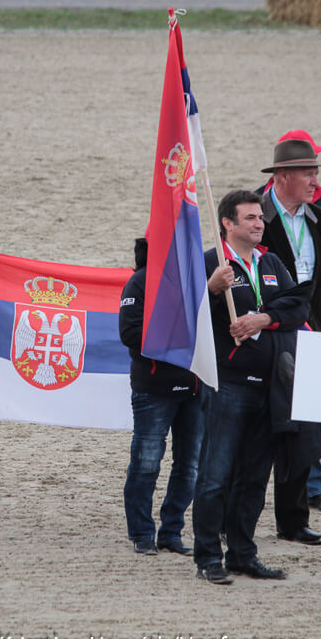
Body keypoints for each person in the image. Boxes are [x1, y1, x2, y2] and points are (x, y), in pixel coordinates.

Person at [193, 190, 310, 585]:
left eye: (260, 217)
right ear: (227, 223)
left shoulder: (270, 261)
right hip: (228, 385)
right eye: (251, 218)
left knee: (255, 478)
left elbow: (298, 307)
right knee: (215, 476)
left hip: (270, 387)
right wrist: (210, 288)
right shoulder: (211, 263)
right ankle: (209, 557)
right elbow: (181, 314)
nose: (260, 223)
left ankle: (243, 554)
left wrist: (263, 319)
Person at [257, 135, 321, 552]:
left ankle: (294, 521)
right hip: (267, 334)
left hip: (311, 332)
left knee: (304, 428)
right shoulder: (255, 214)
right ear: (283, 176)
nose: (315, 181)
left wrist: (311, 310)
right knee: (255, 430)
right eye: (308, 173)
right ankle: (236, 520)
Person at [118, 236, 203, 556]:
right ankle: (141, 532)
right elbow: (130, 333)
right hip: (154, 389)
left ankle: (171, 532)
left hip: (194, 388)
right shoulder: (139, 282)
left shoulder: (196, 282)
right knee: (146, 463)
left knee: (189, 466)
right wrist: (179, 332)